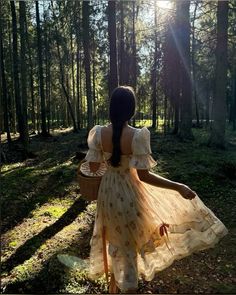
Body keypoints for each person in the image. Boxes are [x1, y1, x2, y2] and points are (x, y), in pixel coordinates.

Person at [84, 86, 228, 293]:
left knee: (114, 241)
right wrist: (178, 186)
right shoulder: (137, 136)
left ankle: (114, 288)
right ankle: (129, 289)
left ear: (111, 108)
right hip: (130, 194)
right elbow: (144, 176)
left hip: (107, 194)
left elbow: (94, 169)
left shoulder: (98, 133)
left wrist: (106, 161)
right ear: (131, 109)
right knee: (129, 246)